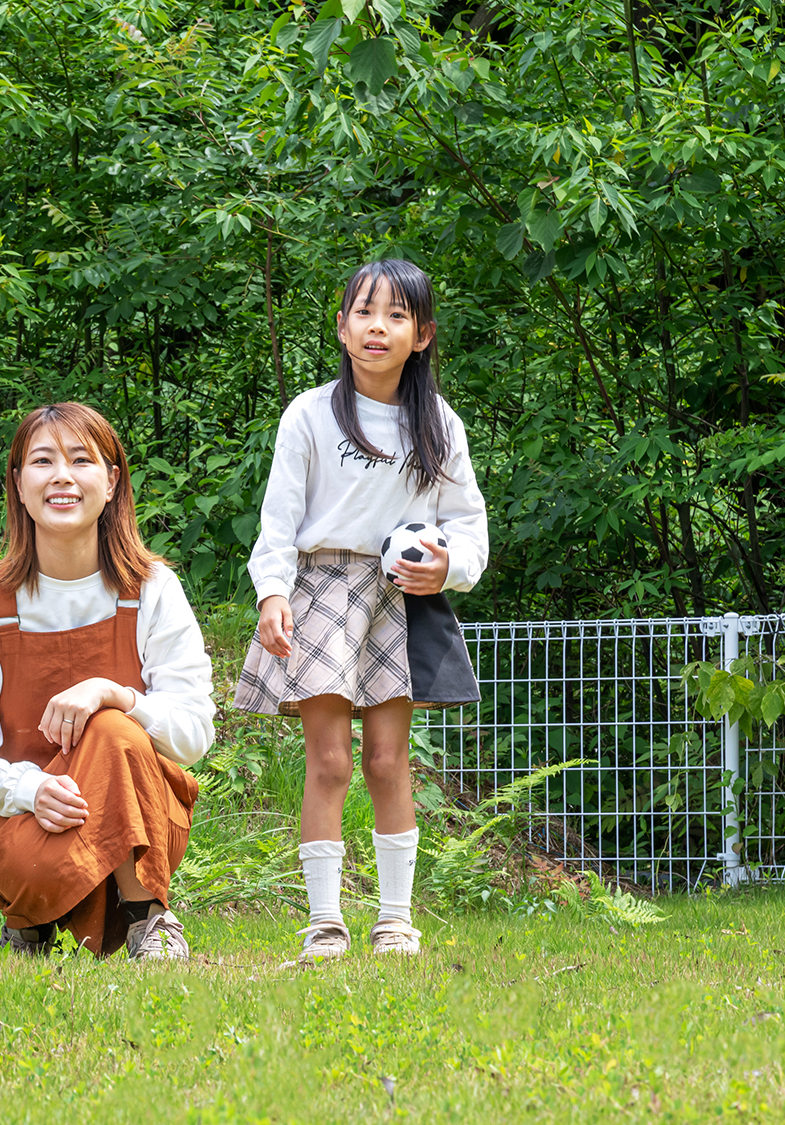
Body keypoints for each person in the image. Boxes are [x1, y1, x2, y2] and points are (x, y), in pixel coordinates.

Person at [236, 258, 489, 963]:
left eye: (398, 315)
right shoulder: (310, 413)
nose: (379, 327)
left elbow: (468, 525)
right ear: (342, 326)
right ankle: (324, 924)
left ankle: (395, 922)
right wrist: (273, 592)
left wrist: (449, 567)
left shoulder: (438, 422)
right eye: (365, 312)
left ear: (423, 334)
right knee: (330, 761)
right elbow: (279, 522)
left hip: (399, 600)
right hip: (319, 592)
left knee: (387, 759)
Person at [0, 403, 215, 960]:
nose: (62, 475)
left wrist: (116, 694)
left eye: (81, 459)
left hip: (139, 821)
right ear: (17, 484)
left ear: (111, 482)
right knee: (40, 837)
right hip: (12, 828)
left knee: (113, 731)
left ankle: (147, 921)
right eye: (42, 461)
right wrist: (29, 790)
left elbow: (193, 735)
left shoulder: (152, 590)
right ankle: (29, 912)